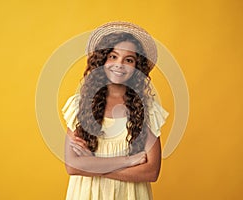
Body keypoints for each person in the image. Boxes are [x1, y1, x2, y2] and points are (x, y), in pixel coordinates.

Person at [62, 21, 169, 200]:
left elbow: (151, 172)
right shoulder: (79, 105)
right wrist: (128, 161)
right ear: (102, 60)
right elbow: (72, 166)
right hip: (87, 194)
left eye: (129, 60)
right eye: (113, 56)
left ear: (137, 67)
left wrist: (93, 165)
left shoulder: (147, 110)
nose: (119, 64)